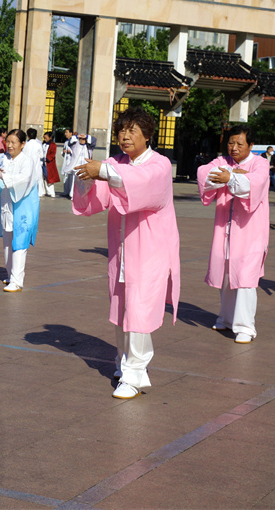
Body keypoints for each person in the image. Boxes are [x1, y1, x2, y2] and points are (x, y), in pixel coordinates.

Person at [71, 107, 180, 400]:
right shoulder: (116, 162)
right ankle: (123, 363)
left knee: (140, 310)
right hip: (121, 249)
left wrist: (103, 171)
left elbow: (142, 186)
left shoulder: (159, 164)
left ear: (147, 134)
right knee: (122, 309)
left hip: (150, 250)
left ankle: (135, 375)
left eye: (132, 130)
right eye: (121, 130)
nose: (124, 136)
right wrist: (86, 179)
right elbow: (99, 199)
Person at [196, 125, 269, 344]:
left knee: (246, 277)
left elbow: (255, 183)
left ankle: (246, 326)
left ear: (251, 145)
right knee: (227, 273)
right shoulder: (222, 162)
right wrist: (231, 175)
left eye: (239, 144)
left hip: (250, 230)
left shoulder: (260, 163)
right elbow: (203, 173)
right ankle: (227, 317)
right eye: (231, 143)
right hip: (225, 228)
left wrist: (231, 178)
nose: (234, 148)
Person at [0, 129, 40, 292]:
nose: (9, 145)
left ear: (22, 144)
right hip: (6, 205)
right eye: (8, 142)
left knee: (20, 241)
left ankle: (18, 280)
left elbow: (24, 179)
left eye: (13, 142)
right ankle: (11, 274)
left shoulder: (27, 161)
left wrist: (3, 176)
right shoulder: (3, 158)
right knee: (7, 241)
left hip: (22, 206)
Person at [42, 131, 59, 198]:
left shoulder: (53, 145)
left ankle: (51, 192)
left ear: (50, 137)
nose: (45, 139)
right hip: (43, 162)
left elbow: (52, 154)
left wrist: (47, 159)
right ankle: (46, 191)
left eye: (46, 138)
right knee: (43, 178)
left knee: (49, 178)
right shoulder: (43, 144)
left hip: (48, 163)